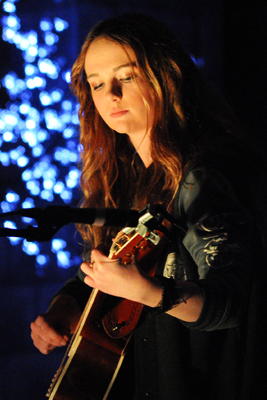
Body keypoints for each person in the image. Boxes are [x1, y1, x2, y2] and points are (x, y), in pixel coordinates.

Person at [30, 13, 267, 400]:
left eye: (125, 77)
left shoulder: (203, 176)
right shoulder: (124, 178)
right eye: (97, 84)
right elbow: (103, 270)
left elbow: (230, 303)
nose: (110, 95)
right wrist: (64, 309)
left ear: (164, 76)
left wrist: (149, 292)